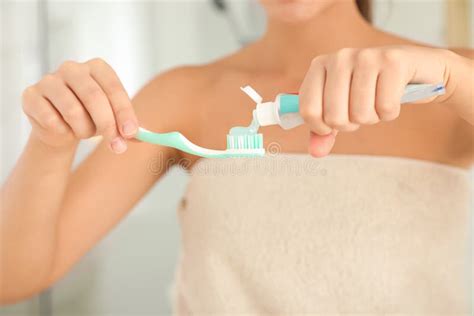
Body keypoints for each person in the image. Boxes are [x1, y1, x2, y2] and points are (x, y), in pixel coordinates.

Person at [1, 0, 473, 313]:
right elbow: (14, 276)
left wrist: (453, 78)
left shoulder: (450, 82)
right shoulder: (181, 97)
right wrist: (49, 143)